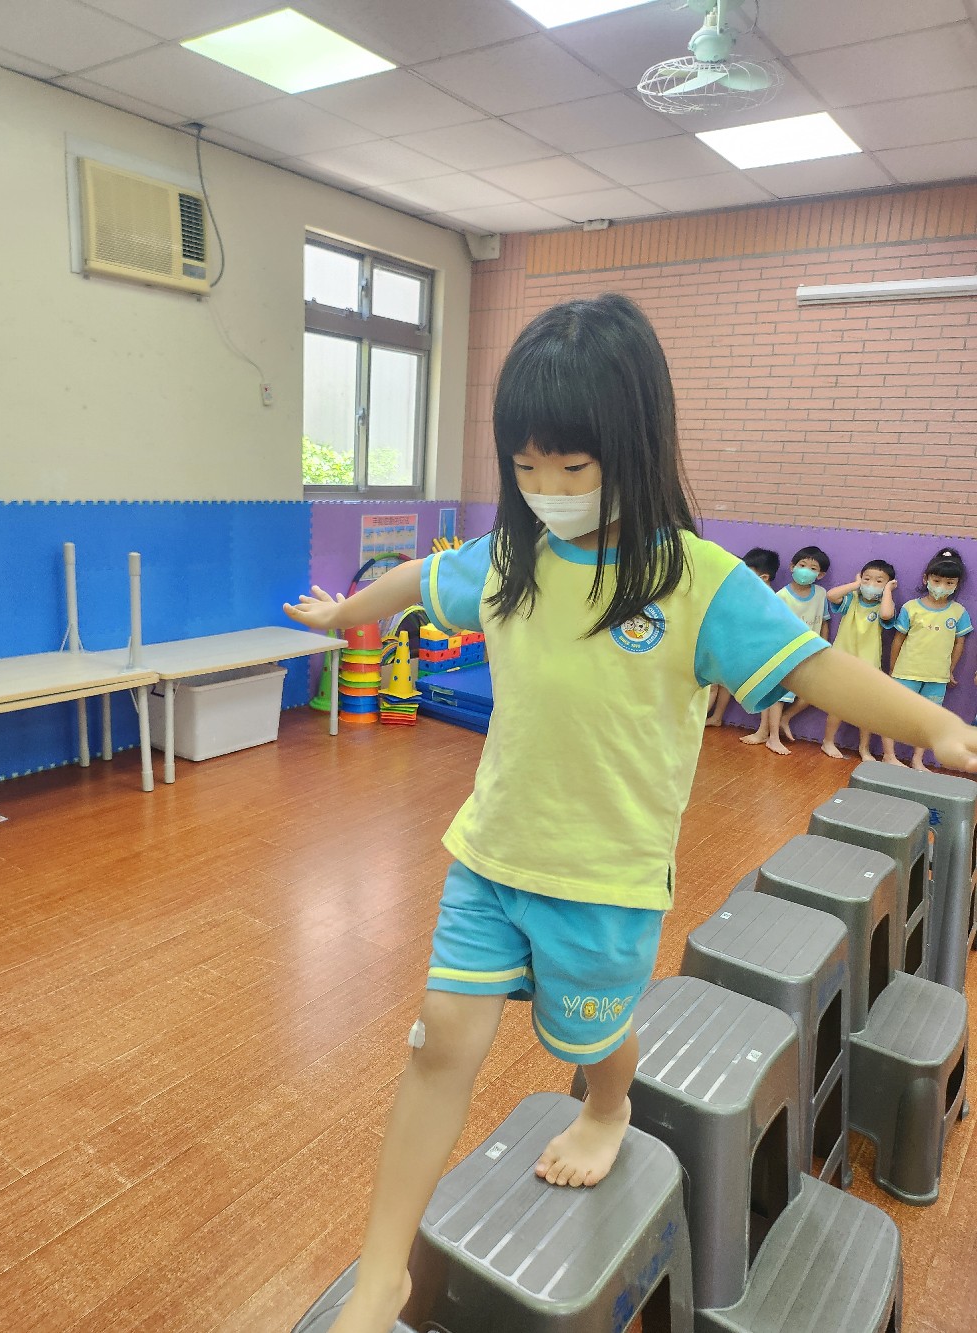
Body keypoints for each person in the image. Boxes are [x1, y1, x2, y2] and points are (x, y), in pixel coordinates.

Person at [283, 295, 977, 1333]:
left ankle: (607, 1106)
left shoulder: (694, 583)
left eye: (573, 466)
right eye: (527, 466)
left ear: (635, 446)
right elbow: (421, 579)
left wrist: (939, 726)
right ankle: (383, 1273)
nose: (548, 490)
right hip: (491, 858)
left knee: (597, 1039)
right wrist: (347, 611)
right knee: (439, 1044)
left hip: (604, 882)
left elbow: (818, 667)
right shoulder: (509, 560)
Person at [741, 546, 831, 755]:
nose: (806, 571)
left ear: (820, 574)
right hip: (785, 653)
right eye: (802, 565)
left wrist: (824, 646)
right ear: (792, 567)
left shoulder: (821, 594)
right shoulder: (781, 596)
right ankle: (772, 737)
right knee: (777, 695)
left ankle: (782, 721)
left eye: (813, 568)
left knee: (813, 693)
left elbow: (824, 622)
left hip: (810, 652)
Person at [890, 547, 972, 770]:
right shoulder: (911, 608)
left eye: (949, 583)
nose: (942, 586)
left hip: (937, 677)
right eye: (936, 581)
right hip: (906, 672)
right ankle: (889, 754)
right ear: (926, 579)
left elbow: (960, 643)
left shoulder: (959, 612)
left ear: (956, 585)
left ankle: (917, 759)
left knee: (930, 721)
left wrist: (950, 670)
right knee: (893, 714)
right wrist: (893, 668)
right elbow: (898, 639)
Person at [820, 560, 898, 762]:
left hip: (868, 665)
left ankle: (864, 748)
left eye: (879, 581)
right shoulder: (852, 599)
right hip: (843, 661)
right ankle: (828, 741)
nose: (871, 584)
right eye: (867, 579)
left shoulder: (885, 604)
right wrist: (856, 584)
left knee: (866, 709)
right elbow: (831, 595)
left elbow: (886, 614)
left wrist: (887, 591)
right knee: (838, 706)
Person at [705, 547, 779, 728]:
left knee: (716, 685)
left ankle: (705, 719)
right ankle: (715, 717)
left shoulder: (768, 598)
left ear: (764, 577)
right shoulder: (746, 590)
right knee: (718, 685)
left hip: (742, 646)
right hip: (729, 642)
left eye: (747, 571)